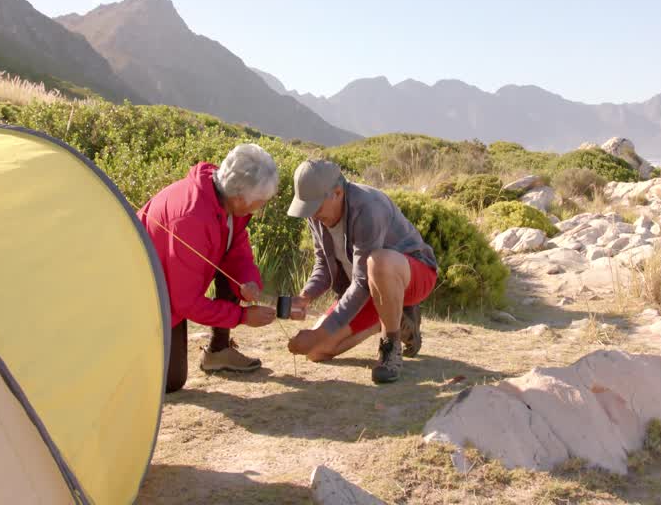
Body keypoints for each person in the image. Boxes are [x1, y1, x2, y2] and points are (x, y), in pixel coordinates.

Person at [138, 144, 279, 394]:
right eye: (260, 201)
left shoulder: (223, 195)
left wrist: (248, 281)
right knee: (170, 383)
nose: (261, 207)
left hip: (172, 286)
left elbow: (236, 249)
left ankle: (219, 352)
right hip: (144, 296)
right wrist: (243, 317)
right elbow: (186, 303)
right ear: (239, 198)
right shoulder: (191, 219)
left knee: (232, 271)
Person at [284, 159, 438, 384]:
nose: (312, 215)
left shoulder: (368, 207)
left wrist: (320, 332)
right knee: (316, 351)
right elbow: (323, 264)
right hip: (369, 289)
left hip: (414, 275)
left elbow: (363, 280)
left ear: (337, 192)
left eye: (315, 207)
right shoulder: (316, 214)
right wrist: (305, 296)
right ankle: (394, 318)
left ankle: (390, 345)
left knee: (379, 261)